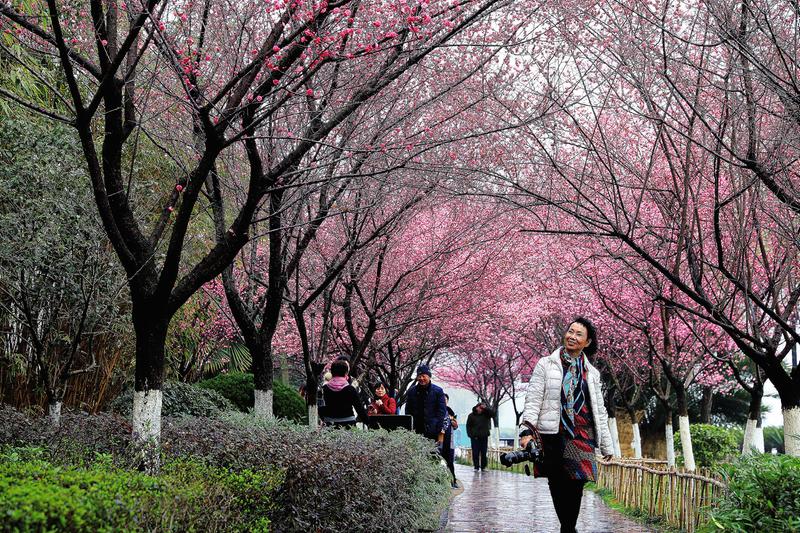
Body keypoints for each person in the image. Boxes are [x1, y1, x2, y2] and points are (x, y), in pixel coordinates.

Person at [519, 317, 614, 533]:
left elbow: (599, 410)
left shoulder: (592, 373)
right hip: (553, 432)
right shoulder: (546, 364)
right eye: (570, 331)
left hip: (582, 432)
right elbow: (533, 399)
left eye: (578, 334)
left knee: (577, 481)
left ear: (587, 342)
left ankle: (568, 528)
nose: (572, 336)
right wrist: (526, 430)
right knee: (558, 482)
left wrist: (607, 446)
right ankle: (568, 528)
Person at [404, 364, 447, 447]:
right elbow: (408, 410)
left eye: (423, 376)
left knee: (431, 454)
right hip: (416, 430)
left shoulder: (438, 391)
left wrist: (438, 428)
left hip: (432, 430)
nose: (421, 378)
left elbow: (441, 411)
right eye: (419, 376)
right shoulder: (412, 391)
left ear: (429, 376)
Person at [321, 360, 368, 428]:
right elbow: (359, 408)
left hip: (330, 424)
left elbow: (321, 406)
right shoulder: (350, 389)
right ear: (346, 373)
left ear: (332, 372)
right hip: (348, 425)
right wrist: (368, 422)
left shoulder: (325, 388)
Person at [466, 402, 494, 471]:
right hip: (475, 438)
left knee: (484, 452)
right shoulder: (471, 416)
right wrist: (470, 435)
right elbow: (468, 426)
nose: (480, 409)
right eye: (479, 407)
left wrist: (485, 408)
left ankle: (483, 467)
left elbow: (493, 414)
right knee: (475, 453)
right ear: (476, 407)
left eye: (481, 408)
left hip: (484, 437)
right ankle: (476, 467)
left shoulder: (486, 414)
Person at [443, 394, 459, 488]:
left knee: (450, 462)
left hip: (450, 441)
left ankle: (453, 481)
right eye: (442, 399)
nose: (444, 401)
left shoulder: (450, 411)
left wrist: (453, 423)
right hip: (439, 441)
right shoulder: (436, 409)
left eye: (445, 399)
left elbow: (456, 426)